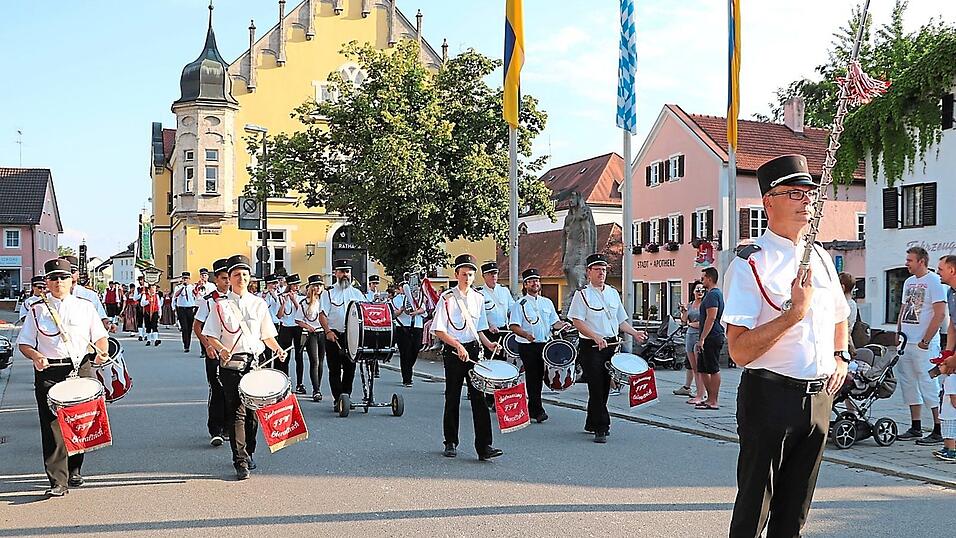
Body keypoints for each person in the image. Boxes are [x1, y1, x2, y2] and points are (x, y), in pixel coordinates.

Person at [723, 154, 850, 537]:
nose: (805, 201)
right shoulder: (750, 264)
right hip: (769, 395)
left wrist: (840, 356)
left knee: (794, 511)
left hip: (818, 399)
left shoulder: (823, 259)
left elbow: (839, 316)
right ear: (769, 201)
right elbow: (739, 351)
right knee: (754, 510)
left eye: (809, 193)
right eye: (794, 193)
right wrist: (793, 315)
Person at [17, 258, 110, 497]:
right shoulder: (36, 309)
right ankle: (58, 480)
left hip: (80, 367)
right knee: (52, 426)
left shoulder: (85, 306)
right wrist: (36, 356)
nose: (58, 282)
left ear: (71, 281)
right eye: (53, 278)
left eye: (63, 278)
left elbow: (100, 337)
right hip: (49, 371)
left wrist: (102, 351)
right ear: (46, 282)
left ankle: (75, 467)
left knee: (80, 421)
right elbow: (25, 343)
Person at [202, 254, 286, 480]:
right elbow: (210, 335)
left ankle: (249, 451)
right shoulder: (220, 306)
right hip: (231, 365)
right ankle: (239, 460)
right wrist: (221, 349)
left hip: (254, 364)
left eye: (245, 275)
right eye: (237, 275)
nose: (241, 278)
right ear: (229, 278)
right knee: (237, 411)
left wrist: (278, 349)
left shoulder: (259, 303)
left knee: (253, 412)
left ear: (251, 279)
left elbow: (267, 334)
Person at [568, 253, 648, 443]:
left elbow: (621, 321)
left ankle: (591, 421)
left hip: (610, 345)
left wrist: (635, 333)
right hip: (591, 346)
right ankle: (602, 427)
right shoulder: (582, 295)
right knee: (596, 386)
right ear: (588, 272)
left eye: (603, 270)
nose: (601, 273)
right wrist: (595, 336)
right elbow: (577, 321)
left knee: (604, 387)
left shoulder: (612, 293)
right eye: (597, 270)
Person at [431, 254, 503, 460]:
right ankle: (450, 441)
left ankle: (484, 447)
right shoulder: (446, 298)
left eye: (471, 275)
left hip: (472, 351)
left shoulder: (479, 298)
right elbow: (439, 330)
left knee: (479, 399)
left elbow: (479, 328)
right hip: (454, 352)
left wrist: (489, 344)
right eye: (464, 274)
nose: (467, 278)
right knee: (452, 396)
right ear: (456, 274)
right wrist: (457, 346)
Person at [895, 246, 947, 444]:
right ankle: (915, 426)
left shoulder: (934, 280)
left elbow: (939, 313)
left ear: (921, 261)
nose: (906, 263)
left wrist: (926, 340)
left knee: (928, 382)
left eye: (910, 260)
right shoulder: (909, 282)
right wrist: (898, 331)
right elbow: (904, 307)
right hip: (906, 340)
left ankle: (938, 427)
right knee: (908, 382)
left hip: (923, 343)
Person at [508, 268, 566, 423]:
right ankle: (538, 409)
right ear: (526, 285)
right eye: (532, 281)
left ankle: (532, 407)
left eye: (537, 281)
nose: (535, 284)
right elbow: (513, 326)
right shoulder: (519, 304)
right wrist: (526, 334)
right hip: (528, 345)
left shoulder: (547, 302)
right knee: (533, 376)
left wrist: (564, 325)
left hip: (544, 344)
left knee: (541, 376)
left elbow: (555, 323)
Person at [319, 260, 366, 410]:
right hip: (334, 334)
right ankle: (337, 398)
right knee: (334, 369)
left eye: (347, 272)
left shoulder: (357, 293)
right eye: (342, 272)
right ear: (336, 273)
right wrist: (328, 331)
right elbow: (322, 315)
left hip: (352, 336)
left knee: (350, 367)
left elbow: (364, 314)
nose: (345, 275)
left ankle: (346, 396)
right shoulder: (328, 293)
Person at [193, 258, 230, 447]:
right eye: (224, 278)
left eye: (228, 278)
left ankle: (228, 427)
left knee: (231, 390)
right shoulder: (208, 302)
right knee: (217, 389)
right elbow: (197, 326)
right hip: (214, 351)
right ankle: (215, 429)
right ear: (216, 279)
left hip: (233, 352)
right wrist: (207, 345)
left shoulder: (236, 299)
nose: (227, 282)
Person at [693, 267, 724, 410]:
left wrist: (702, 338)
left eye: (703, 278)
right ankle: (709, 398)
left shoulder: (713, 295)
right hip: (708, 336)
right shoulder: (710, 294)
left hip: (712, 335)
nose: (702, 280)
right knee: (703, 368)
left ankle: (713, 400)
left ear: (710, 279)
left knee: (712, 368)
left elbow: (711, 318)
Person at [295, 274, 326, 402]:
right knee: (314, 361)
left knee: (321, 362)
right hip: (311, 333)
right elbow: (298, 320)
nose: (318, 288)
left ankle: (318, 386)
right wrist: (308, 326)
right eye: (315, 286)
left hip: (322, 333)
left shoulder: (325, 300)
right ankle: (316, 389)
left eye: (320, 285)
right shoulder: (305, 303)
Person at [392, 272, 427, 387]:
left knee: (415, 350)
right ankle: (407, 378)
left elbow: (423, 309)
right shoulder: (397, 299)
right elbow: (393, 314)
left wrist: (415, 312)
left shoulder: (419, 297)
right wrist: (401, 310)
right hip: (403, 327)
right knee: (405, 353)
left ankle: (408, 368)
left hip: (417, 326)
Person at [675, 282, 706, 404]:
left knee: (700, 367)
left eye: (702, 290)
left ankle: (701, 394)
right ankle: (698, 393)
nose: (700, 292)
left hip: (699, 336)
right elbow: (683, 322)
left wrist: (690, 324)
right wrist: (684, 312)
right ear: (693, 291)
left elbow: (704, 322)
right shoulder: (691, 304)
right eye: (698, 290)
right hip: (690, 336)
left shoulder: (705, 305)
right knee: (694, 367)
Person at [476, 261, 514, 358]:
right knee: (492, 359)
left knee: (505, 360)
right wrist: (489, 325)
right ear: (483, 276)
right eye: (490, 274)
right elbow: (477, 315)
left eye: (495, 273)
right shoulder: (479, 293)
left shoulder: (504, 290)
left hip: (504, 330)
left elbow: (512, 309)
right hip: (489, 332)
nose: (493, 276)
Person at [276, 274, 306, 393]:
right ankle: (285, 382)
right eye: (294, 285)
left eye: (297, 285)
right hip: (286, 327)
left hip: (297, 327)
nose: (296, 287)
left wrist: (294, 300)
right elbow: (279, 315)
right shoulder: (281, 297)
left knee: (299, 357)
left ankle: (300, 383)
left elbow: (302, 312)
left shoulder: (301, 297)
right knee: (285, 356)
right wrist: (284, 302)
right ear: (289, 285)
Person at [936, 255, 956, 376]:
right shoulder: (950, 292)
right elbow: (952, 325)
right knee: (952, 391)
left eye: (940, 269)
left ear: (952, 270)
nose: (937, 272)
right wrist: (948, 354)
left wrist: (954, 359)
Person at [173, 272, 199, 353]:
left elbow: (196, 294)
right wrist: (182, 287)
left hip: (190, 308)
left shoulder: (192, 287)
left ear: (189, 279)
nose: (185, 280)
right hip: (181, 308)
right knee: (184, 328)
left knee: (189, 328)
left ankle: (188, 342)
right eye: (184, 278)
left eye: (187, 278)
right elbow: (176, 295)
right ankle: (186, 345)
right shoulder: (178, 287)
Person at [133, 276, 146, 340]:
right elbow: (135, 298)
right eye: (140, 280)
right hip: (139, 306)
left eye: (142, 280)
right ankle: (140, 335)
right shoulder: (137, 289)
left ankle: (146, 334)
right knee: (140, 320)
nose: (141, 281)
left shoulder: (147, 288)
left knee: (147, 320)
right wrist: (140, 294)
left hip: (146, 306)